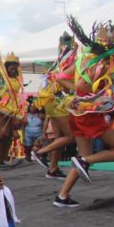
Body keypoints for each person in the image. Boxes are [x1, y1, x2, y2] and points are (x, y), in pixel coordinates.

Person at [55, 19, 114, 208]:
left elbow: (60, 77)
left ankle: (62, 196)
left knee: (84, 157)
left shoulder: (83, 60)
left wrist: (79, 94)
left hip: (77, 112)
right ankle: (85, 161)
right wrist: (89, 94)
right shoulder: (101, 64)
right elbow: (82, 84)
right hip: (89, 115)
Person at [31, 32, 76, 179]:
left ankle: (53, 169)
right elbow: (64, 83)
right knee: (70, 136)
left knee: (59, 138)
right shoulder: (69, 63)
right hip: (58, 102)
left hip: (52, 102)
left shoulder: (59, 64)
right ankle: (40, 153)